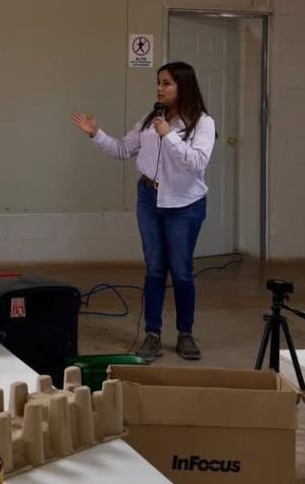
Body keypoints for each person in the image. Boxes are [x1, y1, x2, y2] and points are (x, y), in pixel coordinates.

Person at [71, 61, 216, 362]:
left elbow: (197, 163)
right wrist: (95, 133)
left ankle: (185, 334)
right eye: (158, 83)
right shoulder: (152, 119)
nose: (159, 88)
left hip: (184, 204)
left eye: (166, 83)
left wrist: (169, 135)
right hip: (149, 199)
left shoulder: (202, 122)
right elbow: (123, 149)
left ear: (182, 87)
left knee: (182, 271)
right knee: (154, 268)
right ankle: (152, 334)